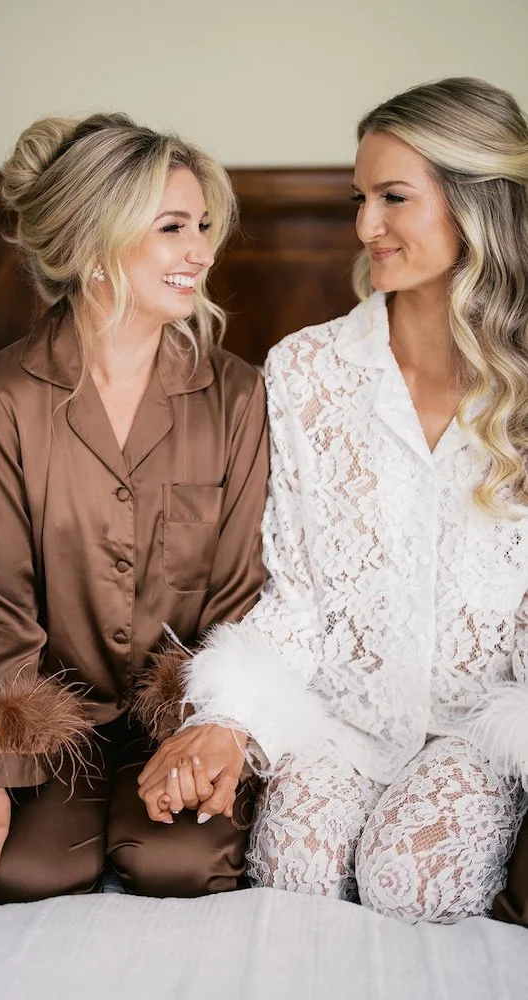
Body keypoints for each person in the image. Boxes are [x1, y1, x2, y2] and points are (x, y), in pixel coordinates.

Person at [141, 78, 528, 923]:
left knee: (405, 880)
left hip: (478, 731)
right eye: (359, 198)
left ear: (479, 206)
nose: (364, 227)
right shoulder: (306, 370)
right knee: (295, 880)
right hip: (338, 719)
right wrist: (231, 718)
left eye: (393, 198)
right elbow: (300, 593)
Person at [0, 113, 268, 905]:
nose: (200, 250)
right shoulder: (1, 399)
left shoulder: (237, 395)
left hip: (180, 713)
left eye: (202, 225)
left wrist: (213, 731)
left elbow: (240, 594)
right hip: (47, 712)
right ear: (97, 243)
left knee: (177, 865)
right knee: (18, 872)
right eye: (172, 227)